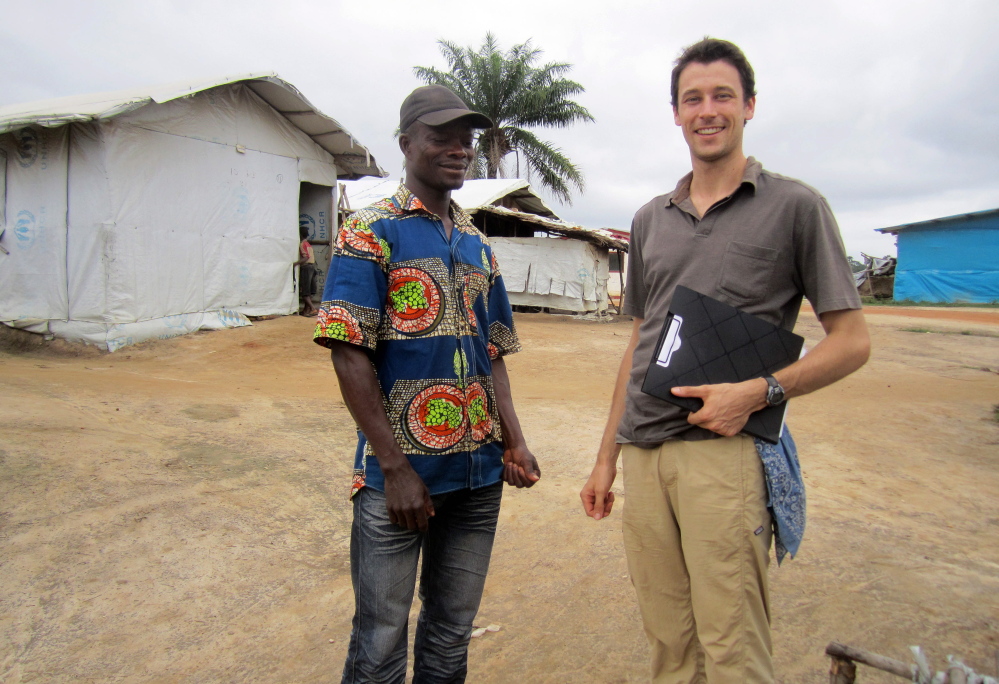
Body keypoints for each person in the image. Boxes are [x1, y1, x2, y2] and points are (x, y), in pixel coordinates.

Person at [580, 38, 870, 683]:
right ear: (676, 114)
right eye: (693, 99)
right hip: (645, 456)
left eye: (722, 97)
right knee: (670, 646)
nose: (707, 111)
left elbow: (853, 341)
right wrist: (606, 458)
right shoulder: (651, 219)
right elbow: (641, 344)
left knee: (732, 649)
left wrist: (758, 393)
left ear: (750, 107)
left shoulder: (795, 207)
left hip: (723, 454)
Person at [313, 84, 541, 684]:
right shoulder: (370, 233)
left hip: (478, 478)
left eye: (465, 139)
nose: (459, 149)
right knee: (381, 640)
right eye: (441, 136)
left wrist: (513, 440)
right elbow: (348, 352)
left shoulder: (475, 244)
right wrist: (395, 467)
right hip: (401, 484)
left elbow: (494, 354)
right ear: (406, 143)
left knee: (449, 634)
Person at [295, 224, 319, 316]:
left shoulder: (302, 244)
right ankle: (306, 310)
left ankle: (312, 308)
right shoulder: (308, 244)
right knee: (309, 290)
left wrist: (295, 264)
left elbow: (306, 257)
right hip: (312, 266)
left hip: (306, 267)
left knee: (305, 290)